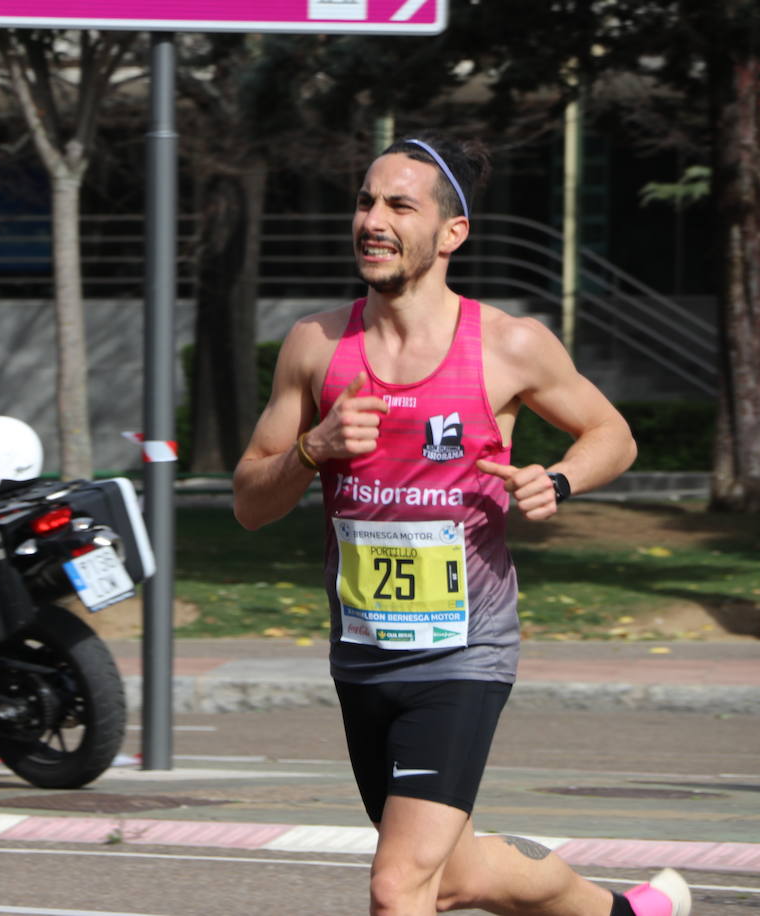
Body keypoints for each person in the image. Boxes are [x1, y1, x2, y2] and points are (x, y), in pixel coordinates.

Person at [232, 134, 691, 916]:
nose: (372, 220)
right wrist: (314, 447)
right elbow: (249, 502)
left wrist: (558, 479)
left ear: (452, 234)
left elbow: (613, 434)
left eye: (399, 205)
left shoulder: (509, 345)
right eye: (366, 200)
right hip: (364, 651)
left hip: (463, 653)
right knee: (454, 874)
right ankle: (630, 913)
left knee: (397, 885)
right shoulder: (316, 346)